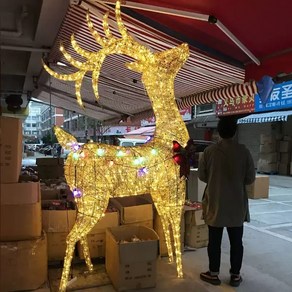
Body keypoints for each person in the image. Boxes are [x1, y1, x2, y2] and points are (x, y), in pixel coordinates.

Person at [198, 116, 255, 287]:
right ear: (235, 131)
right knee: (236, 242)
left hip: (215, 203)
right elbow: (250, 178)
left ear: (219, 132)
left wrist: (216, 180)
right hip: (237, 205)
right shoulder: (244, 151)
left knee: (214, 241)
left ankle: (213, 274)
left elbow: (202, 176)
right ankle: (235, 276)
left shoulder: (209, 152)